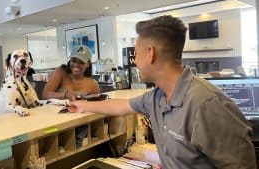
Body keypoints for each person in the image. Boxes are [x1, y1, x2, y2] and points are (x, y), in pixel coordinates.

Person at [69, 15, 256, 168]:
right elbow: (121, 106)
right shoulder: (156, 97)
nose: (135, 62)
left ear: (150, 53)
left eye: (137, 53)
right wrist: (81, 105)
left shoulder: (208, 106)